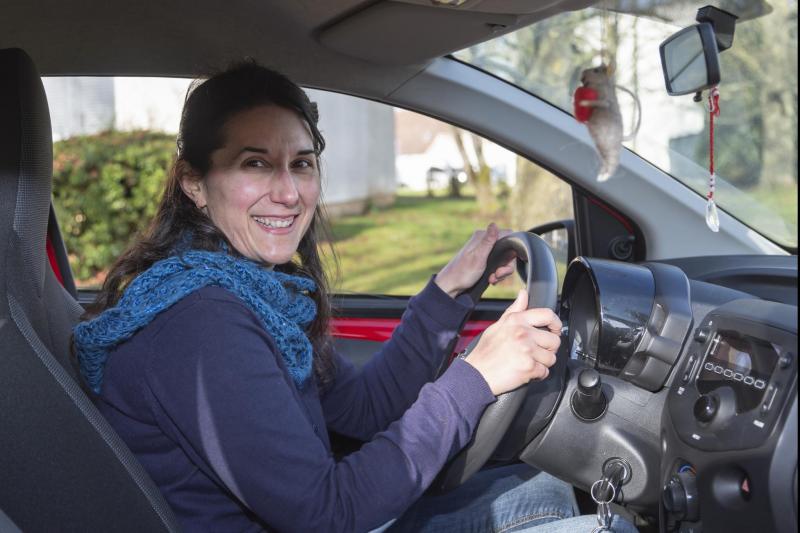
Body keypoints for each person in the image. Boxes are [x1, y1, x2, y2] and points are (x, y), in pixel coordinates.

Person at [72, 61, 637, 533]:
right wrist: (478, 377)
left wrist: (448, 291)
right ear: (195, 183)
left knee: (561, 495)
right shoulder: (202, 325)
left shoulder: (253, 293)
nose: (290, 193)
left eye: (301, 163)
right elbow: (327, 511)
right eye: (255, 164)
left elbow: (363, 410)